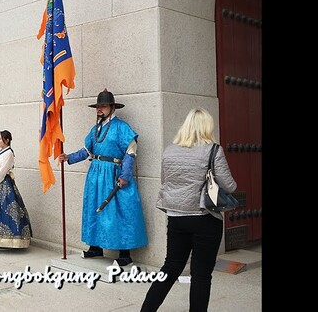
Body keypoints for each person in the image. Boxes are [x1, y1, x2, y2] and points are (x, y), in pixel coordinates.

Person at [141, 108, 237, 312]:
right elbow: (229, 186)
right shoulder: (213, 150)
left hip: (175, 217)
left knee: (170, 268)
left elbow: (165, 181)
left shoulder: (169, 150)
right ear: (207, 128)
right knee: (201, 275)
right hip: (204, 218)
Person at [58, 89, 147, 267]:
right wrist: (69, 158)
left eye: (103, 106)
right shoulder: (95, 129)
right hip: (95, 175)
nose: (99, 109)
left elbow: (131, 152)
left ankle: (124, 253)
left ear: (112, 108)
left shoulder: (122, 127)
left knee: (119, 211)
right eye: (98, 106)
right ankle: (95, 248)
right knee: (93, 207)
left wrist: (125, 175)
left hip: (114, 174)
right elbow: (87, 151)